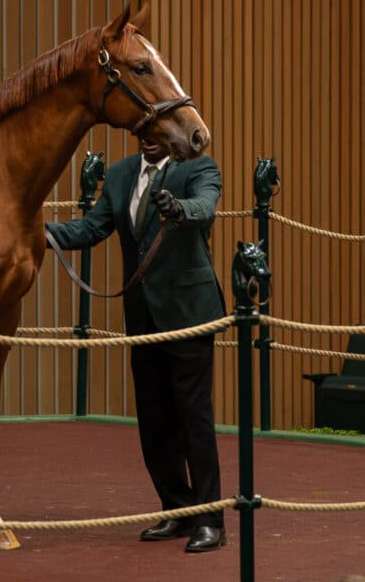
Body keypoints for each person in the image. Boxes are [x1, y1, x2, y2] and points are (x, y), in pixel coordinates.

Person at [46, 135, 227, 553]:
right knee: (153, 418)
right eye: (142, 129)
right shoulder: (121, 173)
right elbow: (92, 227)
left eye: (157, 128)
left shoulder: (198, 167)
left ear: (173, 132)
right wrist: (39, 233)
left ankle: (210, 520)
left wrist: (180, 209)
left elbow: (205, 207)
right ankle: (177, 510)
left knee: (193, 417)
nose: (147, 136)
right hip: (142, 316)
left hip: (189, 314)